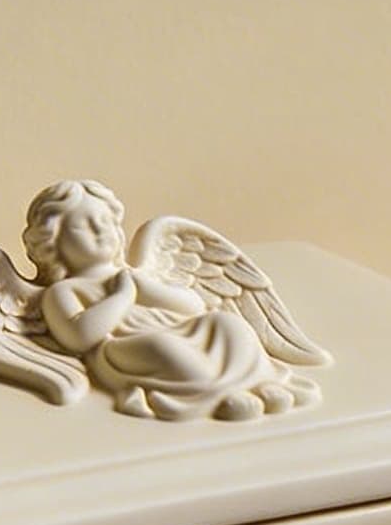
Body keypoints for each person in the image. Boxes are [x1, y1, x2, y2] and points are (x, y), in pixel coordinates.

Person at [29, 180, 299, 420]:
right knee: (163, 346)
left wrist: (149, 290)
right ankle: (218, 394)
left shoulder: (134, 276)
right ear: (52, 241)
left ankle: (256, 382)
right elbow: (79, 336)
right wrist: (123, 297)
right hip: (124, 347)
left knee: (228, 324)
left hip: (178, 329)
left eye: (106, 221)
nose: (100, 231)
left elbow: (194, 307)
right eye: (82, 225)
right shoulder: (64, 291)